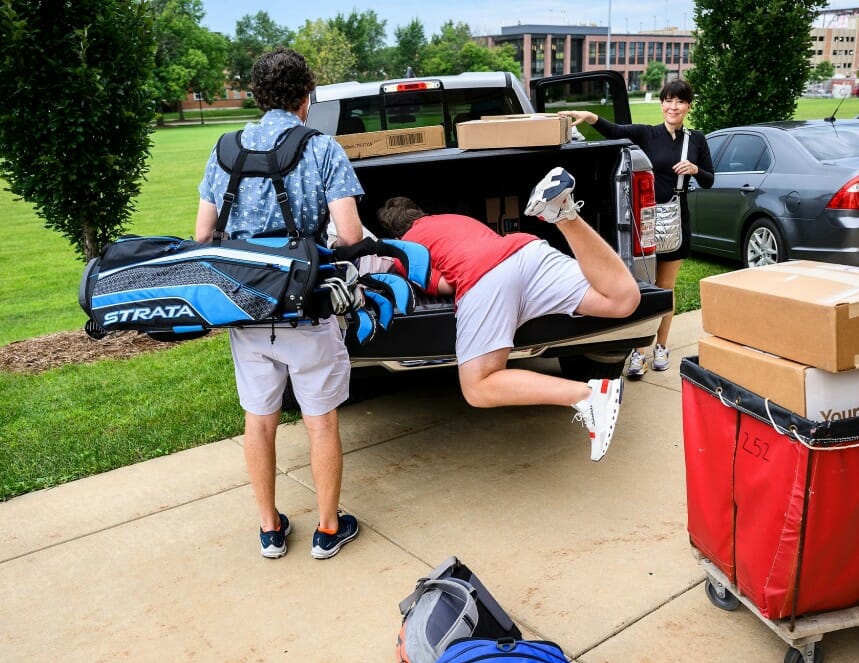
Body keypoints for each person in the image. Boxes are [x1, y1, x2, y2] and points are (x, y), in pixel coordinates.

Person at [194, 48, 363, 560]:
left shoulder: (224, 150)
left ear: (256, 94)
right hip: (306, 308)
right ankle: (329, 529)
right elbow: (351, 234)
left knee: (259, 419)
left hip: (245, 310)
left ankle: (270, 529)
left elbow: (202, 234)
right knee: (320, 420)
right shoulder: (321, 148)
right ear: (304, 97)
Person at [375, 168, 640, 462]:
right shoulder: (452, 218)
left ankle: (588, 396)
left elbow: (446, 285)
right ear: (418, 212)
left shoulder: (403, 249)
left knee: (478, 386)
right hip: (526, 252)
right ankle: (565, 215)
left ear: (394, 233)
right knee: (622, 300)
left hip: (485, 280)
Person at [560, 79, 714, 379]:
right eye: (668, 100)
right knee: (644, 287)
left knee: (666, 288)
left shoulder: (696, 140)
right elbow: (615, 131)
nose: (673, 107)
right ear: (661, 103)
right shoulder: (647, 133)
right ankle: (639, 352)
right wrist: (590, 117)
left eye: (680, 102)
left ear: (688, 106)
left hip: (676, 218)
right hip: (645, 219)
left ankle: (661, 347)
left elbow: (710, 179)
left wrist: (696, 170)